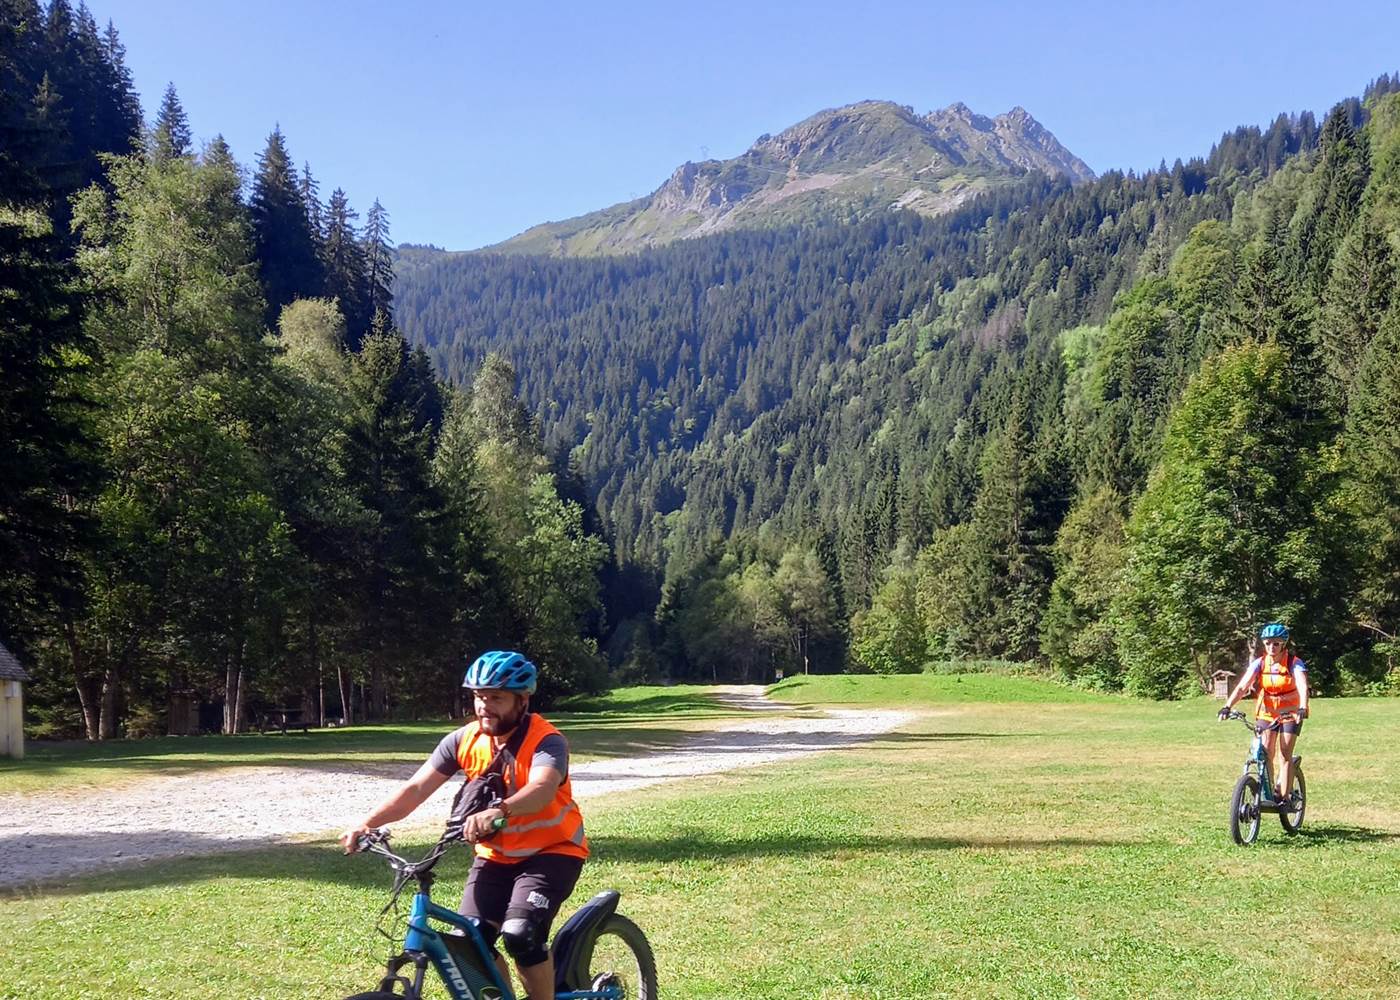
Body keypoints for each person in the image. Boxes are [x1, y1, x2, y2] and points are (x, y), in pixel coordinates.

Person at [340, 650, 588, 999]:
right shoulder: (463, 740)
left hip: (552, 853)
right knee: (468, 941)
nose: (485, 706)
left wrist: (499, 809)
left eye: (496, 698)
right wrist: (366, 823)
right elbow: (415, 789)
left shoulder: (547, 741)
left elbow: (542, 788)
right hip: (495, 857)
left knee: (520, 934)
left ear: (523, 699)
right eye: (479, 697)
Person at [1218, 622, 1311, 803]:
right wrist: (1227, 706)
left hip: (1290, 713)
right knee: (1265, 751)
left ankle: (1283, 797)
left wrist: (1302, 707)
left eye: (1276, 643)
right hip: (1266, 713)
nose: (1271, 647)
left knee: (1284, 752)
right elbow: (1242, 686)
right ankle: (1268, 793)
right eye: (1268, 643)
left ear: (1283, 644)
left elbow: (1302, 685)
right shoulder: (1260, 663)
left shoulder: (1294, 662)